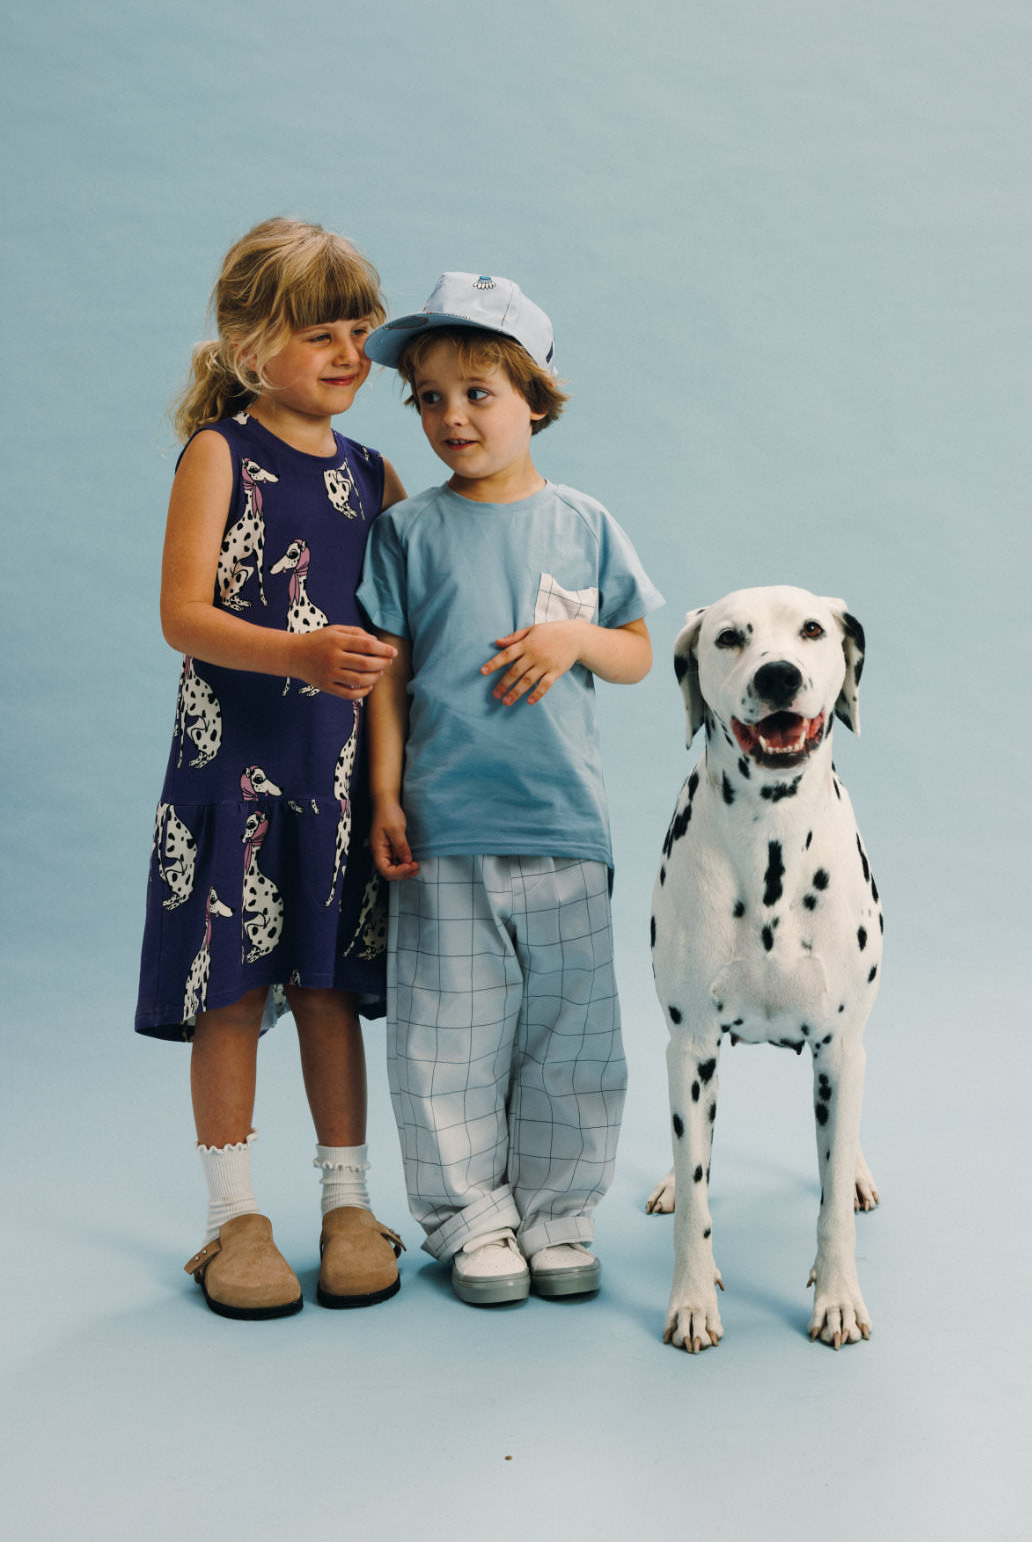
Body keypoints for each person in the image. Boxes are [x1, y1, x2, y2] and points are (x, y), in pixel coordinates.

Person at [357, 272, 662, 1305]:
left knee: (572, 1038)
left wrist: (577, 636)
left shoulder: (584, 524)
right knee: (449, 1038)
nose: (452, 417)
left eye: (478, 393)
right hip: (446, 831)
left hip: (567, 828)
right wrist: (388, 798)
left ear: (534, 397)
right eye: (431, 399)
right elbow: (388, 680)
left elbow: (634, 653)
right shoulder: (408, 535)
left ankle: (559, 1215)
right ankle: (472, 1222)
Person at [136, 218, 407, 1320]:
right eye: (319, 333)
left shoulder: (373, 474)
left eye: (359, 332)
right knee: (234, 992)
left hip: (336, 783)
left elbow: (387, 650)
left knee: (329, 985)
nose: (348, 354)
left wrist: (388, 787)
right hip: (234, 774)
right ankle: (233, 1216)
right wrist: (299, 651)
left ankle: (349, 1203)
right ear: (253, 345)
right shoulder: (220, 455)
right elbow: (182, 615)